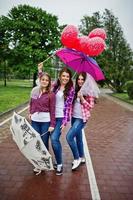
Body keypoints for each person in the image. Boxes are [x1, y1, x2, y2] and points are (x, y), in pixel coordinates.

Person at [38, 63, 75, 175]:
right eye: (63, 76)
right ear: (60, 76)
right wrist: (40, 70)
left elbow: (68, 107)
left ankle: (59, 164)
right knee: (44, 140)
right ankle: (47, 161)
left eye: (67, 76)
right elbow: (44, 82)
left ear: (69, 78)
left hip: (59, 118)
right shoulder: (55, 86)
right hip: (49, 116)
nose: (65, 78)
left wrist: (64, 122)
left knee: (54, 139)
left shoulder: (71, 90)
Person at [66, 72, 100, 171]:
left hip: (82, 119)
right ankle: (82, 157)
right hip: (74, 117)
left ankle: (76, 158)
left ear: (85, 81)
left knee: (69, 137)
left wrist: (81, 98)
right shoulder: (74, 89)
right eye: (79, 79)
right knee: (78, 138)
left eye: (82, 79)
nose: (80, 81)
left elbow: (91, 107)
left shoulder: (89, 92)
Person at [29, 72, 56, 173]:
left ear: (49, 82)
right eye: (43, 79)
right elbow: (31, 103)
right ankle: (38, 163)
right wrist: (31, 113)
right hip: (35, 121)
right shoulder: (35, 91)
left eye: (46, 80)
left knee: (44, 142)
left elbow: (53, 110)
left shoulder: (51, 94)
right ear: (40, 80)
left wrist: (52, 124)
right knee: (36, 141)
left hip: (45, 121)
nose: (44, 81)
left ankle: (44, 161)